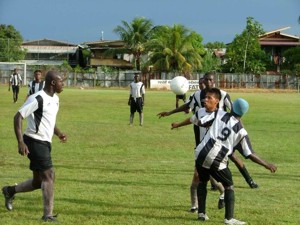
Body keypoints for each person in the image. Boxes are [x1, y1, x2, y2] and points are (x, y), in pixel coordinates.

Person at [171, 88, 277, 224]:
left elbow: (200, 121)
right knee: (229, 186)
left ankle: (201, 213)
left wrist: (180, 124)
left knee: (202, 181)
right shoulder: (241, 130)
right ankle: (229, 218)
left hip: (200, 153)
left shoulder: (219, 114)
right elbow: (249, 154)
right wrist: (267, 165)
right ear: (243, 113)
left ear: (232, 107)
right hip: (216, 158)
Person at [158, 72, 257, 212]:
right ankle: (203, 205)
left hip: (223, 136)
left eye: (210, 80)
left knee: (233, 157)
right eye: (205, 80)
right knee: (206, 170)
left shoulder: (223, 95)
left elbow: (234, 111)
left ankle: (248, 180)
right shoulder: (198, 96)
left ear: (214, 82)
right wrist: (170, 113)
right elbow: (187, 107)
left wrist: (239, 129)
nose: (207, 82)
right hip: (203, 140)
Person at [2, 70, 67, 222]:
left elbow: (48, 120)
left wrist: (58, 133)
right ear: (52, 83)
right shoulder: (37, 98)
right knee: (49, 175)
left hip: (45, 142)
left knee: (39, 182)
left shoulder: (55, 99)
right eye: (61, 82)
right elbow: (18, 116)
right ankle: (47, 215)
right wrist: (20, 142)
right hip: (34, 141)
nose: (63, 84)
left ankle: (9, 190)